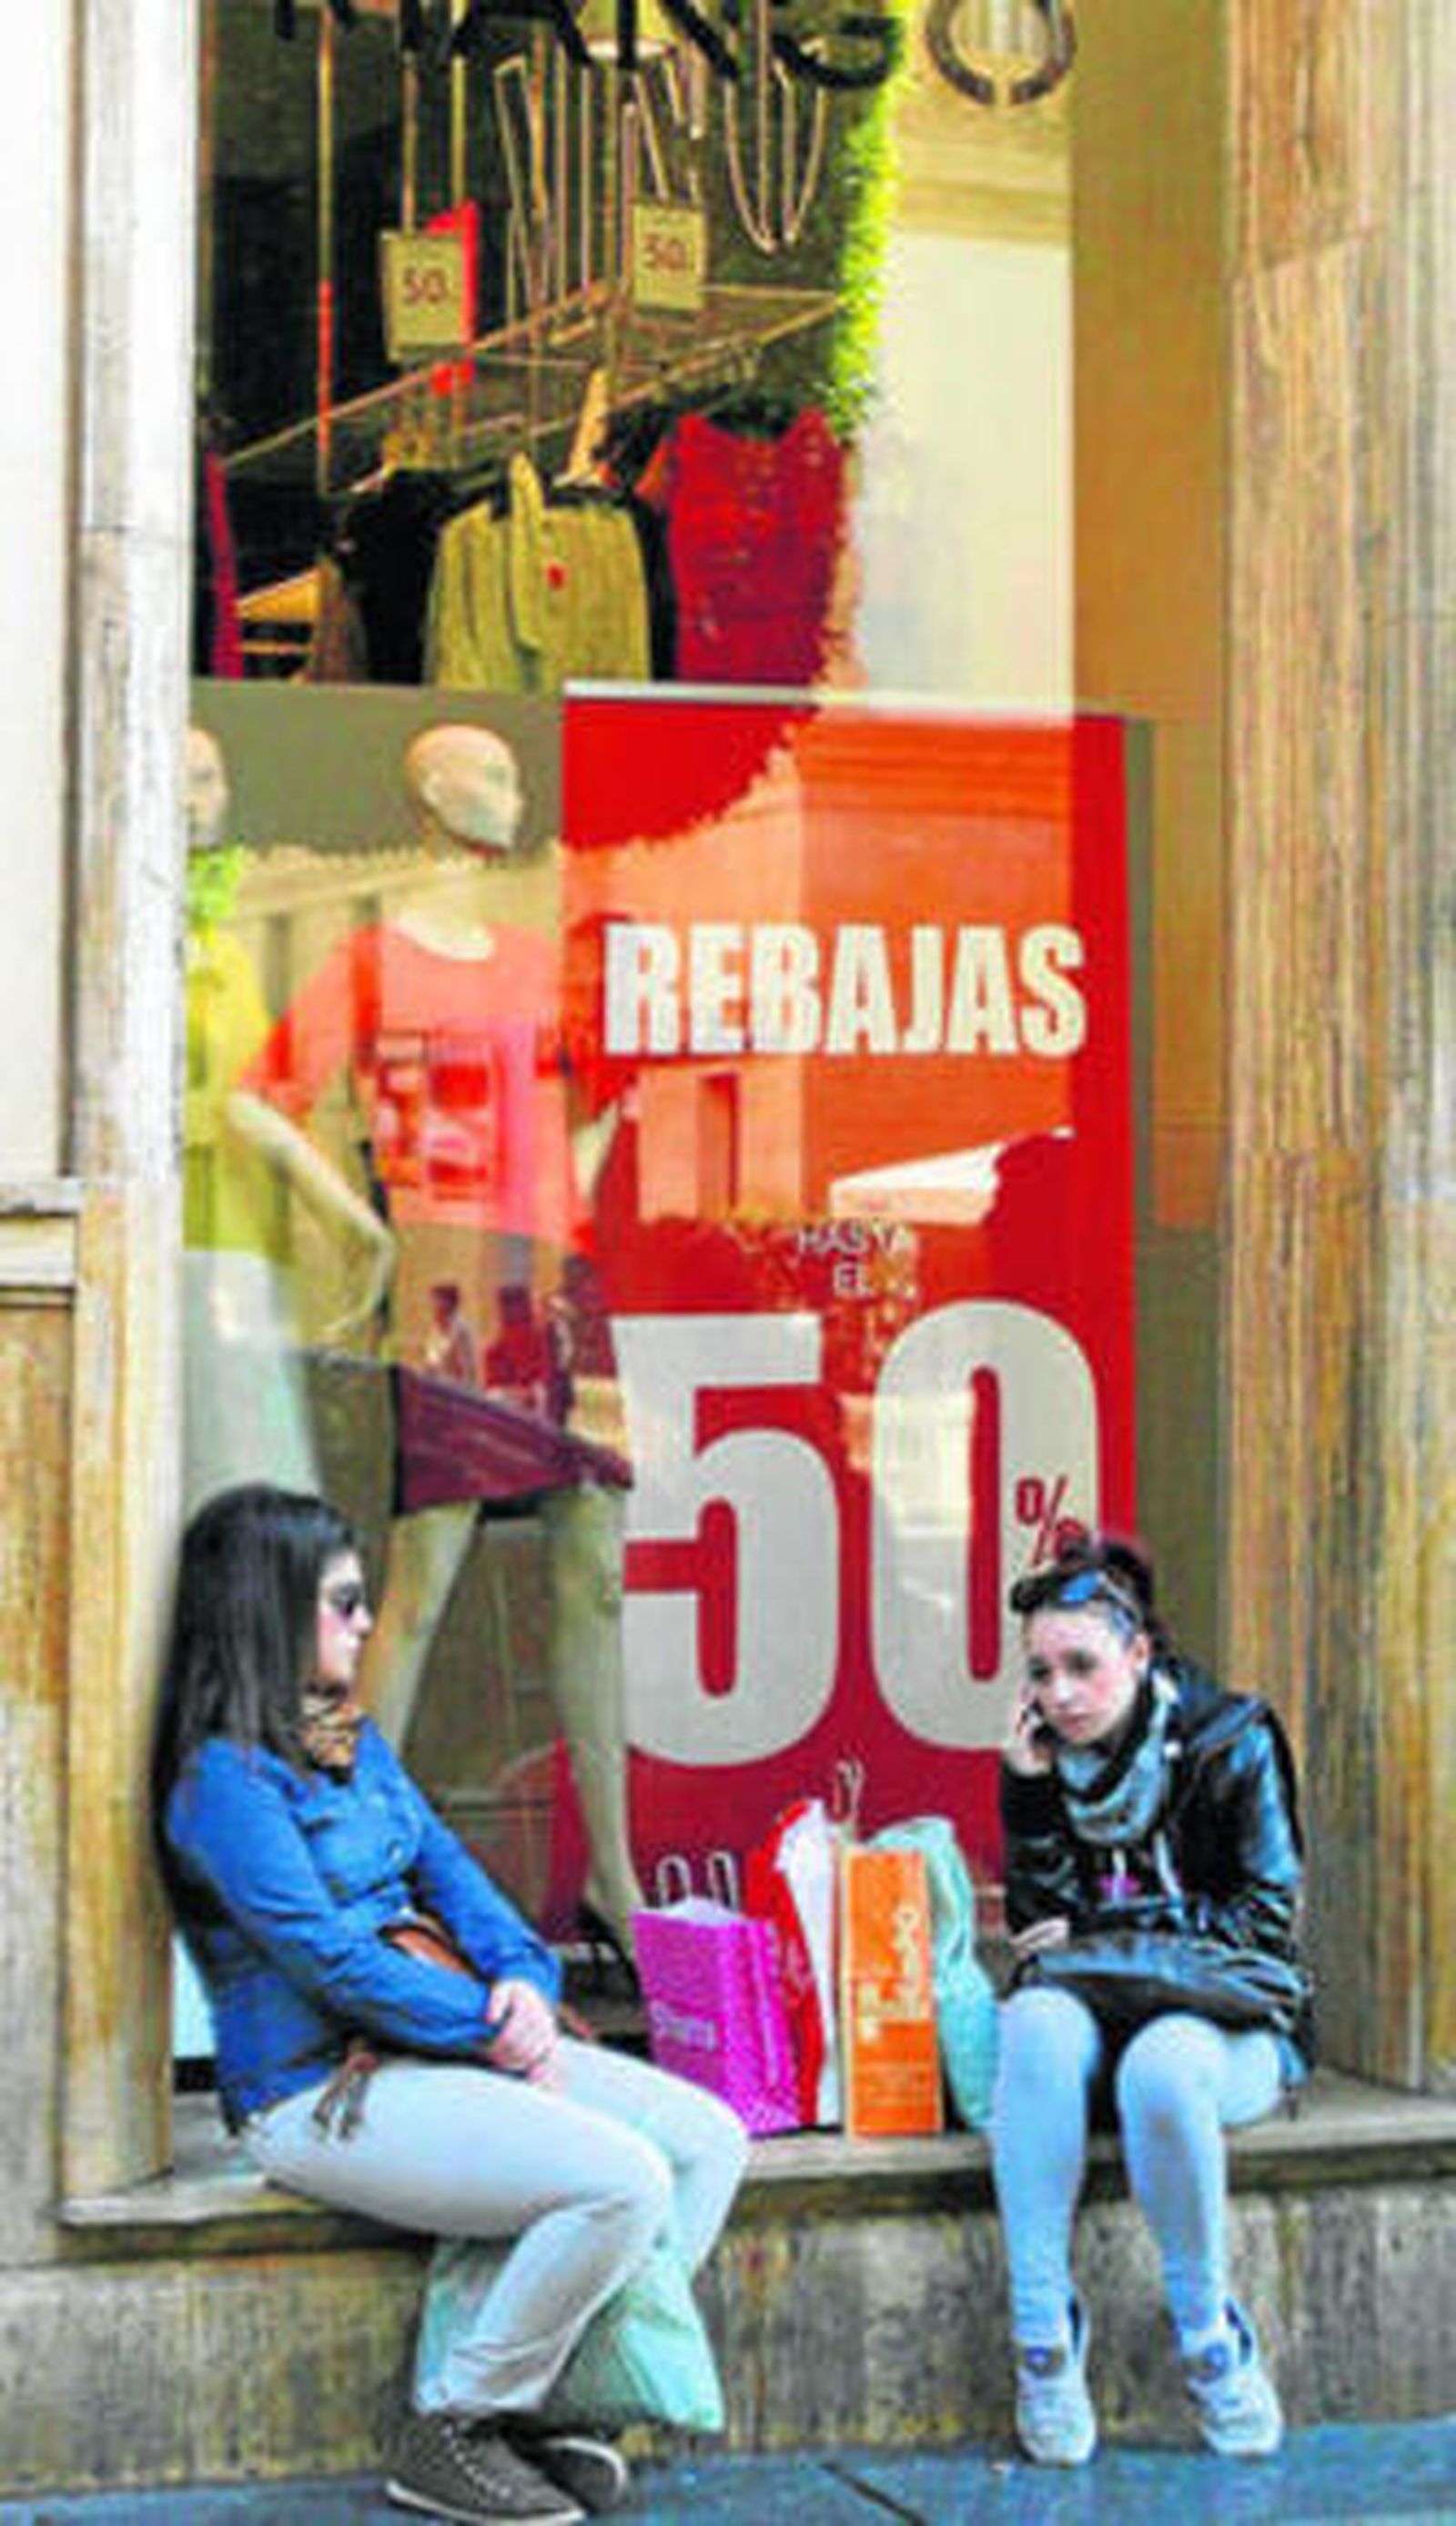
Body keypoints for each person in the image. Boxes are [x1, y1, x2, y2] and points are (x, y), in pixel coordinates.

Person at [152, 1484, 749, 2525]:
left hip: (449, 2048)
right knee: (619, 2179)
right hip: (315, 2095)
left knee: (707, 2142)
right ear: (268, 1609)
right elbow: (327, 1958)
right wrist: (488, 2029)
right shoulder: (223, 1783)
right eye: (341, 1604)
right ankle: (459, 2423)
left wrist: (527, 1980)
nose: (365, 1622)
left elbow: (457, 1878)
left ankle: (558, 2409)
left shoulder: (345, 1738)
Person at [989, 1527, 1313, 2469]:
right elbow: (1040, 1944)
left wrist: (1105, 1941)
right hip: (1091, 2033)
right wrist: (1028, 1803)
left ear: (1138, 1653)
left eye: (1081, 1666)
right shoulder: (1043, 1759)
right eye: (1041, 1672)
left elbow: (1261, 1929)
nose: (1058, 1695)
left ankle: (1209, 2337)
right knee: (1036, 2023)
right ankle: (1042, 2337)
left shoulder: (1231, 1741)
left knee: (1162, 2067)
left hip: (1228, 2030)